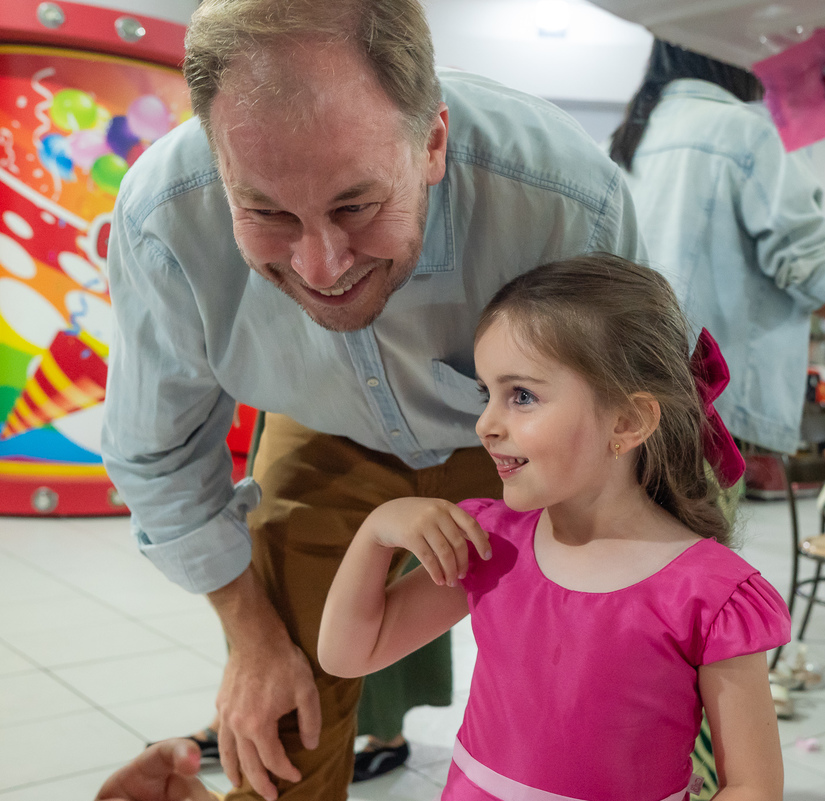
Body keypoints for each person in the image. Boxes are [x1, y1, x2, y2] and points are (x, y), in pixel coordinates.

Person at [100, 1, 640, 799]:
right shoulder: (161, 221)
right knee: (284, 717)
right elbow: (158, 455)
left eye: (357, 206)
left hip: (521, 444)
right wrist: (252, 639)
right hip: (318, 427)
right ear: (217, 165)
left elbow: (624, 429)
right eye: (267, 213)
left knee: (585, 701)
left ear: (432, 143)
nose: (321, 268)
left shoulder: (565, 200)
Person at [318, 254, 791, 799]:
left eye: (521, 396)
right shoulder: (490, 545)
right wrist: (376, 533)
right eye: (486, 394)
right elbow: (350, 653)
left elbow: (754, 786)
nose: (486, 424)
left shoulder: (710, 595)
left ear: (627, 421)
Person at [608, 39, 825, 500]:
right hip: (708, 411)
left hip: (626, 395)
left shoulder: (630, 139)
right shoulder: (750, 134)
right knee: (694, 565)